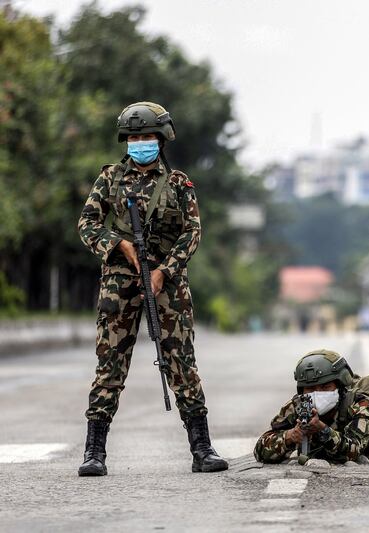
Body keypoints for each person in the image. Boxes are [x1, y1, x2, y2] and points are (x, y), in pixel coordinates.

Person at [76, 102, 228, 476]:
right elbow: (87, 222)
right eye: (133, 137)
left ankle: (202, 448)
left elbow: (193, 232)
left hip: (168, 284)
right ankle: (94, 452)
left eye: (146, 137)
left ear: (161, 140)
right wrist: (118, 244)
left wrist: (165, 270)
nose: (139, 143)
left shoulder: (178, 183)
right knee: (110, 367)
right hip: (119, 282)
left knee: (182, 363)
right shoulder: (110, 179)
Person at [254, 350, 369, 464]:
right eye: (310, 389)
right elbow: (260, 449)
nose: (316, 393)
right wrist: (290, 436)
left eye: (325, 388)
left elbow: (353, 451)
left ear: (340, 385)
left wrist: (322, 431)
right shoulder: (297, 406)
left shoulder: (361, 404)